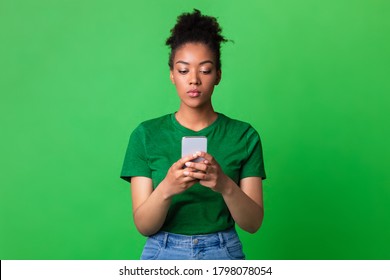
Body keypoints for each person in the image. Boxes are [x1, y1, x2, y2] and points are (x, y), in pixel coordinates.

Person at [120, 9, 266, 260]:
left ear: (218, 75)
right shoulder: (146, 135)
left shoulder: (244, 135)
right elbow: (144, 225)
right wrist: (167, 187)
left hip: (224, 251)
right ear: (172, 75)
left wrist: (224, 185)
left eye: (205, 70)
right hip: (162, 252)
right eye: (184, 70)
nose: (194, 80)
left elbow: (252, 224)